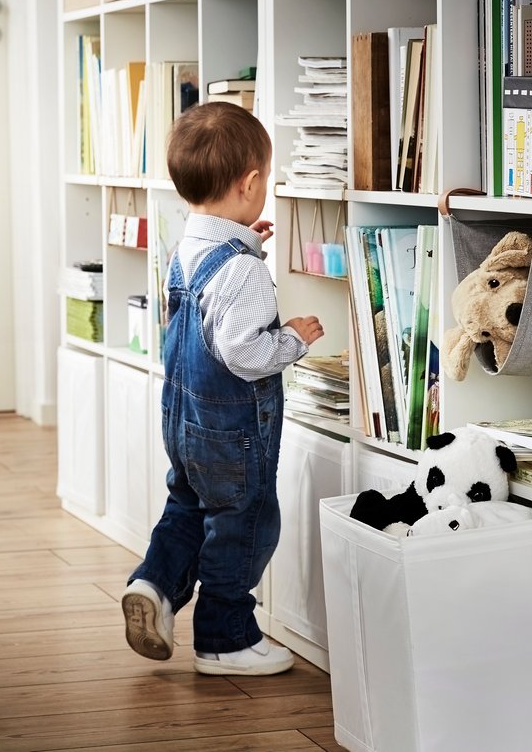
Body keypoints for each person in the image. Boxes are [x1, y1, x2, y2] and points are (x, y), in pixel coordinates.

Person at [122, 102, 323, 676]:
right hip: (233, 433)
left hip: (183, 421)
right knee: (244, 523)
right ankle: (224, 638)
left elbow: (207, 323)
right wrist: (291, 339)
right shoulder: (244, 270)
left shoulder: (187, 252)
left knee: (186, 505)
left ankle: (154, 586)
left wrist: (248, 245)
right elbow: (244, 352)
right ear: (251, 183)